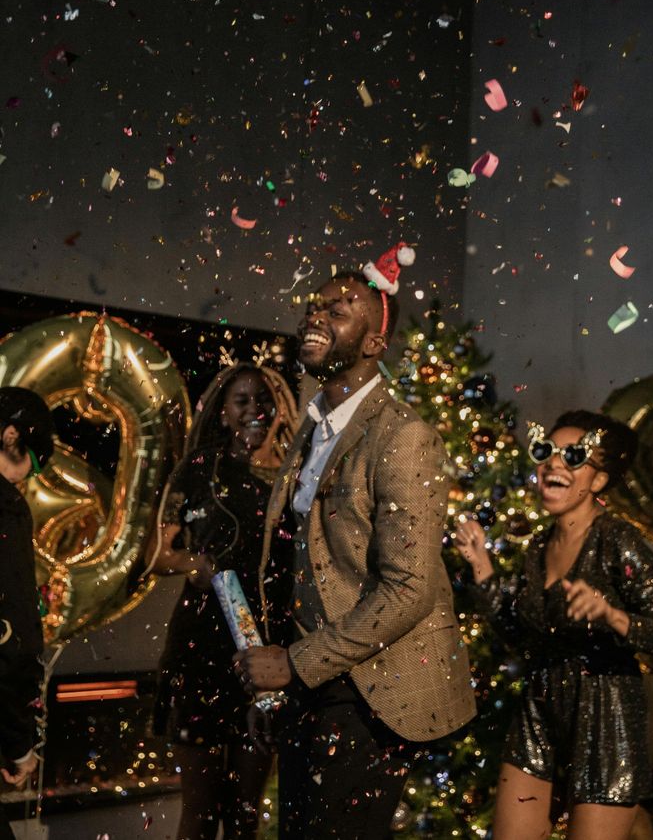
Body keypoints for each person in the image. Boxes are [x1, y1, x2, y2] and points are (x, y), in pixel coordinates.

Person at [234, 244, 475, 839]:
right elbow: (294, 566)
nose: (316, 317)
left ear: (373, 344)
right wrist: (277, 689)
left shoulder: (404, 436)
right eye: (314, 307)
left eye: (340, 309)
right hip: (307, 686)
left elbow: (410, 587)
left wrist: (293, 664)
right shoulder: (312, 429)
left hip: (372, 689)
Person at [455, 410, 653, 840]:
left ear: (597, 481)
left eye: (573, 457)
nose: (553, 465)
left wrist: (611, 615)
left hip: (606, 720)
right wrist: (482, 567)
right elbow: (522, 639)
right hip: (539, 711)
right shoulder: (539, 546)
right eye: (546, 453)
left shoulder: (617, 541)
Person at [145, 363, 298, 840]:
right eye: (242, 401)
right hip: (201, 646)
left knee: (245, 813)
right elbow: (156, 554)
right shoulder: (198, 468)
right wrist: (196, 566)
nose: (254, 410)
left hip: (266, 652)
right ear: (224, 412)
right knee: (200, 810)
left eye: (263, 401)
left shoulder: (296, 476)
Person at [0, 387, 55, 840]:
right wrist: (19, 745)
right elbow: (13, 644)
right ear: (10, 435)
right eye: (30, 464)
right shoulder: (6, 507)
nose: (26, 480)